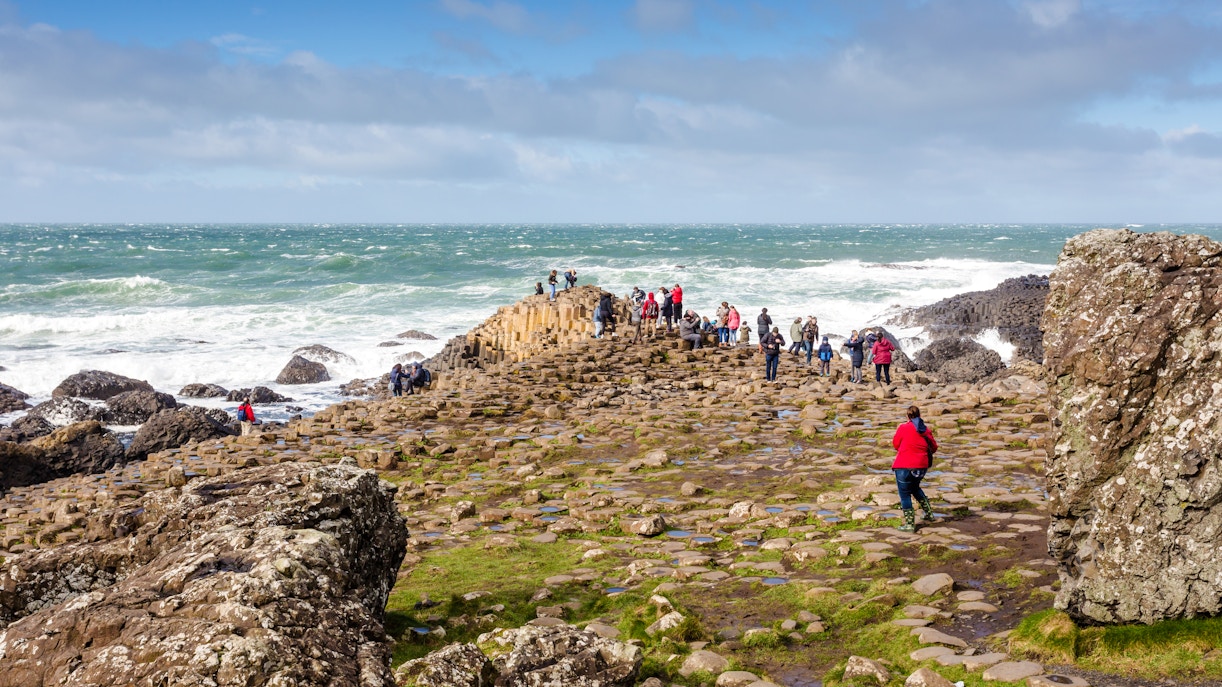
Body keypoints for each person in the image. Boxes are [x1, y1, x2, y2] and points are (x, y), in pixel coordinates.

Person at [892, 405, 938, 532]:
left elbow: (896, 444)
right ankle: (929, 514)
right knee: (915, 488)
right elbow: (934, 447)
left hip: (904, 466)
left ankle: (909, 524)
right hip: (921, 467)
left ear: (907, 416)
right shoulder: (925, 429)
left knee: (905, 494)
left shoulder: (903, 427)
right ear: (920, 415)